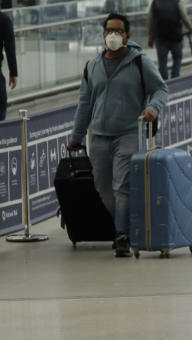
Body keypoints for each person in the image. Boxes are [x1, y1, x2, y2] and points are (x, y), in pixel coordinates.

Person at [69, 13, 168, 257]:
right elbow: (85, 103)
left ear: (127, 35)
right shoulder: (92, 66)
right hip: (100, 137)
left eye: (118, 31)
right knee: (103, 189)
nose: (113, 35)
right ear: (103, 34)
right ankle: (126, 227)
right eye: (109, 31)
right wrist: (77, 135)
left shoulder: (139, 62)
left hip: (129, 134)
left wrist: (152, 109)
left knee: (122, 186)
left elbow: (160, 89)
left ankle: (122, 236)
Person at [148, 0, 192, 79]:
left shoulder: (155, 2)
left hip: (160, 37)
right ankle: (175, 79)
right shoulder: (177, 2)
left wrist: (151, 38)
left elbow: (151, 22)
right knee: (177, 59)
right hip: (176, 36)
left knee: (162, 61)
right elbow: (185, 19)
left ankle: (165, 83)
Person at [0, 0, 18, 122]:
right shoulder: (3, 19)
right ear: (0, 1)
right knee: (1, 104)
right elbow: (10, 48)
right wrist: (13, 73)